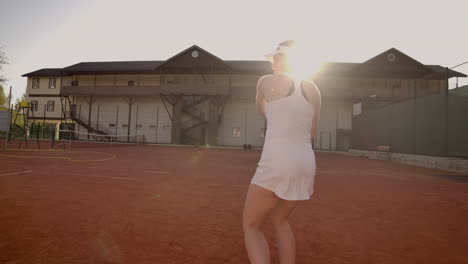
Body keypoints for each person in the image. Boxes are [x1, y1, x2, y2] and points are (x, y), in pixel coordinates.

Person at [242, 40, 321, 264]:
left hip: (277, 160)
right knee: (280, 219)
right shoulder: (313, 89)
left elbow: (262, 110)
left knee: (251, 225)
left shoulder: (265, 82)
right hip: (306, 163)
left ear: (283, 59)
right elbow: (312, 130)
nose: (272, 62)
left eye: (276, 58)